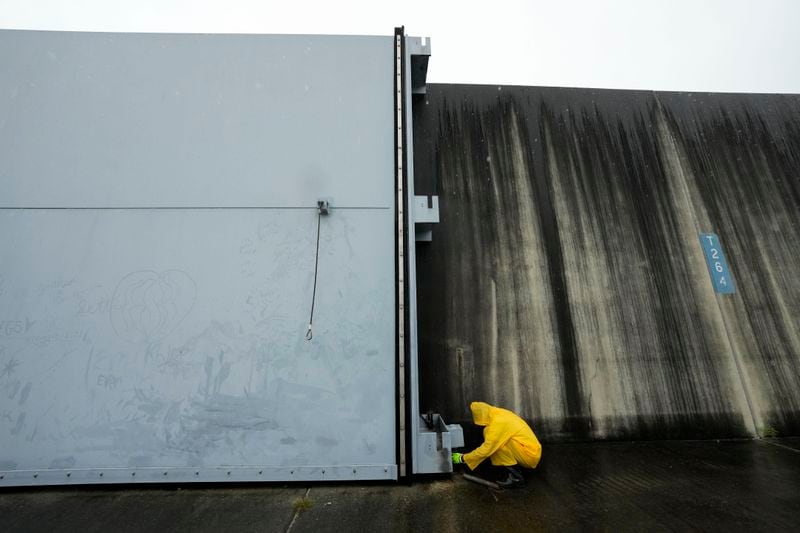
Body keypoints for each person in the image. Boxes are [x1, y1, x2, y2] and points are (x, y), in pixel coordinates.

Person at [451, 401, 542, 488]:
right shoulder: (498, 413)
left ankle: (516, 478)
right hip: (531, 450)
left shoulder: (498, 423)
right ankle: (514, 472)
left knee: (496, 445)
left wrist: (463, 458)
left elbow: (486, 449)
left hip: (530, 455)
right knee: (492, 437)